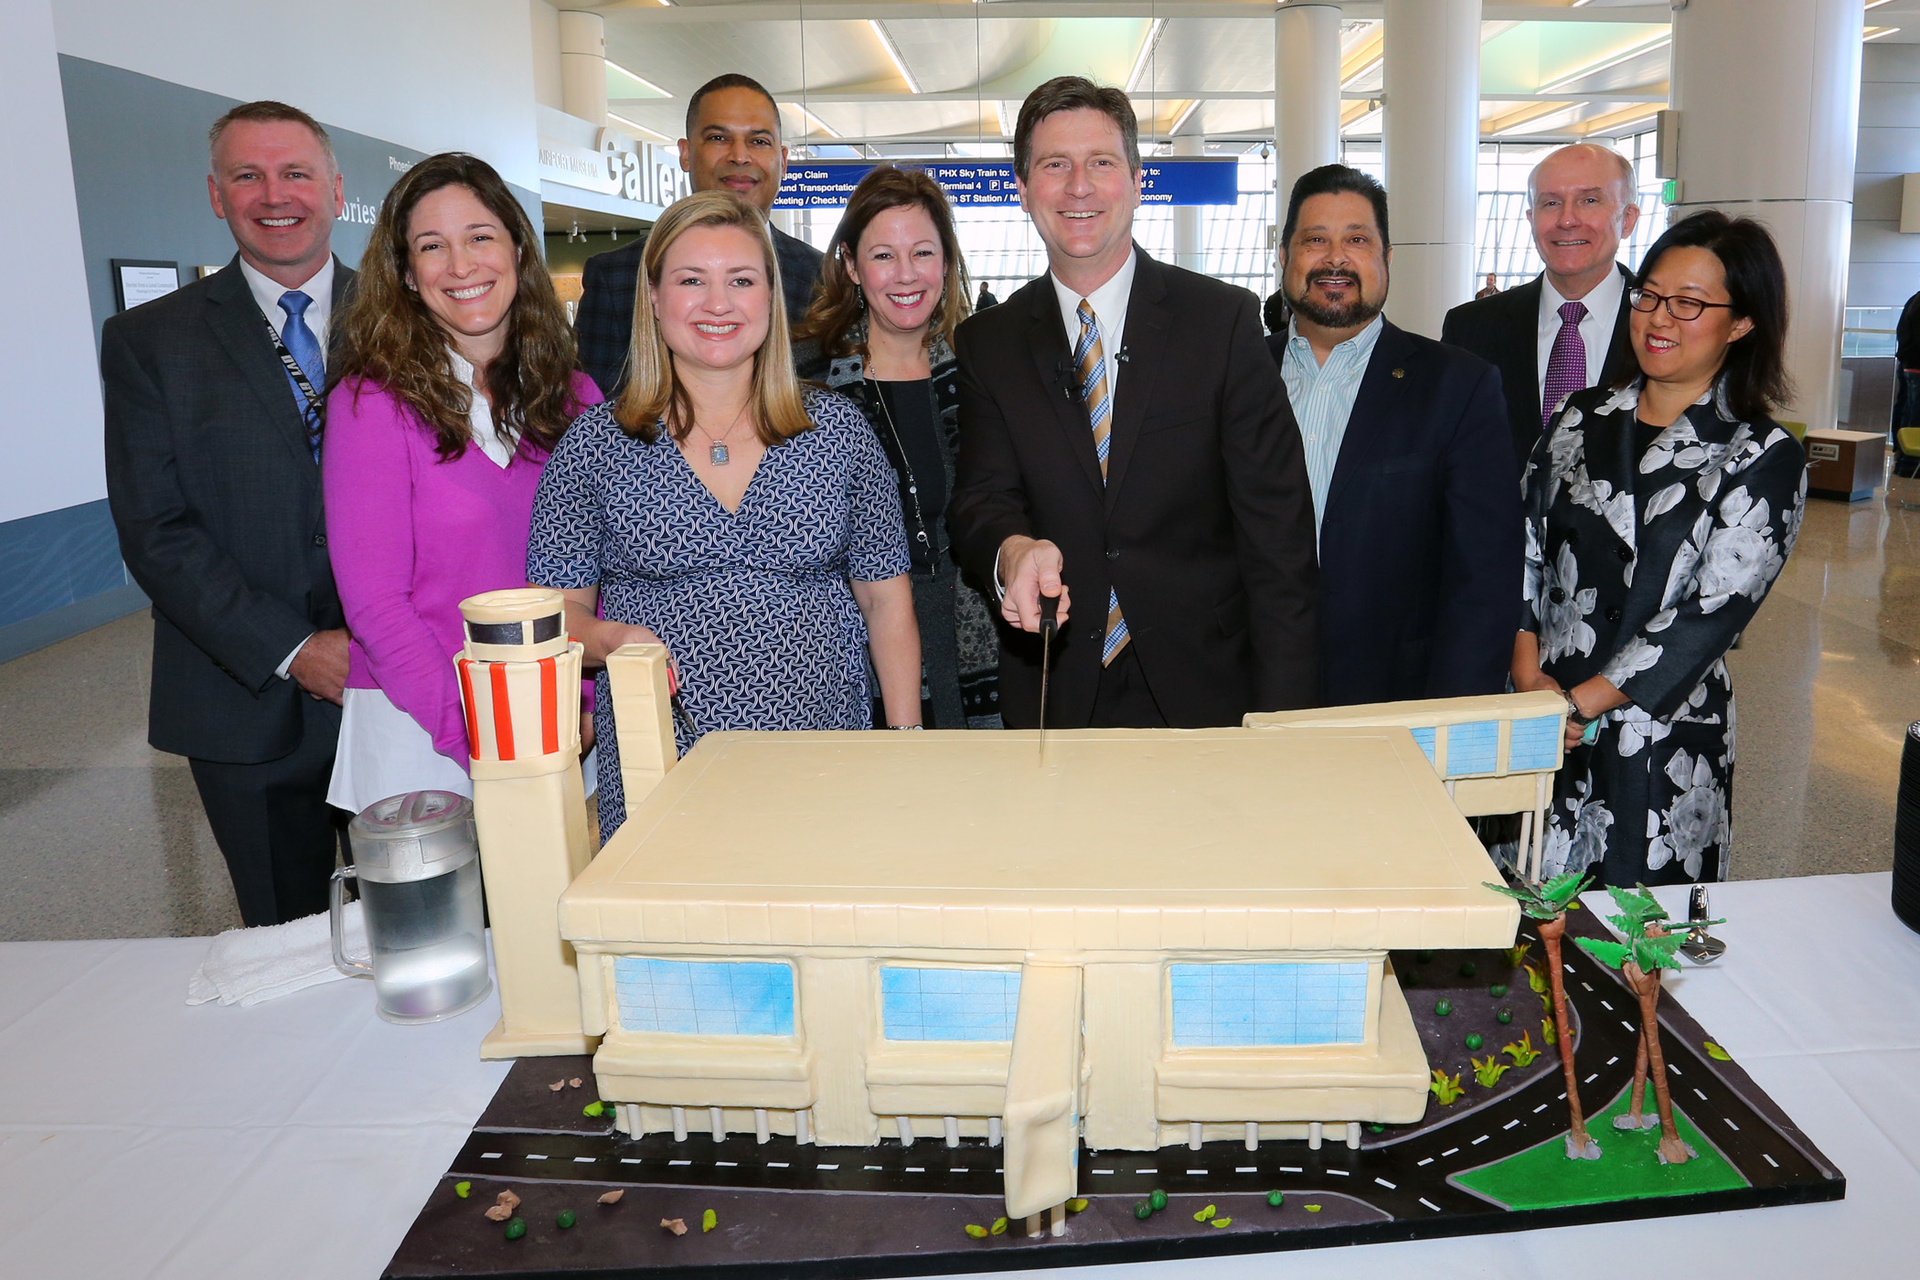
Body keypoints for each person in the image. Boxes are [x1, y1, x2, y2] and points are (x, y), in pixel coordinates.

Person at [528, 191, 920, 838]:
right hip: (665, 778)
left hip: (823, 767)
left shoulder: (839, 433)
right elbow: (554, 613)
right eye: (691, 280)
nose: (718, 303)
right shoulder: (594, 447)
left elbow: (886, 602)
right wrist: (613, 641)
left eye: (741, 280)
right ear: (653, 297)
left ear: (770, 295)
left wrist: (906, 749)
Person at [947, 76, 1319, 729]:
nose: (1079, 186)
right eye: (1054, 165)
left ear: (1138, 180)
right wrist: (1010, 552)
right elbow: (982, 499)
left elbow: (1278, 538)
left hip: (1208, 691)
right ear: (1024, 187)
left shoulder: (1221, 323)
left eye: (1101, 163)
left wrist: (1284, 722)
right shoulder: (989, 343)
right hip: (1055, 688)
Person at [102, 101, 352, 927]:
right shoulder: (149, 341)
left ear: (336, 189)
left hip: (404, 688)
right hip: (241, 695)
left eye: (295, 172)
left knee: (443, 919)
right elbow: (155, 529)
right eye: (248, 175)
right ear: (217, 195)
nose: (273, 194)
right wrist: (291, 649)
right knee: (288, 942)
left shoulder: (415, 319)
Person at [1512, 210, 1806, 888]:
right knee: (1528, 914)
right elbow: (1519, 545)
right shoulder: (1581, 415)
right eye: (1649, 295)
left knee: (1639, 940)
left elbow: (1708, 618)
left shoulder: (1761, 453)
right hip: (1540, 713)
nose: (1658, 319)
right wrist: (1530, 681)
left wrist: (1581, 703)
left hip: (1657, 726)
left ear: (1742, 322)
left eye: (1690, 304)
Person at [321, 154, 602, 813]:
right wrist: (482, 734)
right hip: (421, 736)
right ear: (408, 276)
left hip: (560, 726)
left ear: (516, 248)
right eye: (432, 247)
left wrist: (577, 709)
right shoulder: (371, 405)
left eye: (480, 237)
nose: (462, 265)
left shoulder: (576, 399)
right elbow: (376, 606)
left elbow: (598, 577)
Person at [1272, 165, 1520, 706]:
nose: (1335, 258)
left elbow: (1485, 579)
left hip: (1398, 698)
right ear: (1284, 257)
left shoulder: (1459, 386)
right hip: (1249, 692)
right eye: (1314, 240)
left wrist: (1454, 718)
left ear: (1387, 259)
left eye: (1357, 240)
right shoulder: (1235, 374)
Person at [794, 165, 1002, 728]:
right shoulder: (806, 383)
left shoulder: (983, 372)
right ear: (851, 266)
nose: (906, 274)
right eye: (883, 255)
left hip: (980, 639)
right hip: (856, 644)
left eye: (923, 253)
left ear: (947, 263)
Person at [574, 74, 823, 397]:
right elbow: (595, 412)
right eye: (719, 138)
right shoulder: (615, 276)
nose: (739, 156)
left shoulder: (821, 275)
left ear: (784, 161)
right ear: (686, 153)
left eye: (759, 141)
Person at [1442, 143, 1641, 475]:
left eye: (1589, 201)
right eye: (1551, 203)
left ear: (1628, 219)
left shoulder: (1664, 323)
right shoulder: (1471, 328)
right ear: (1532, 220)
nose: (1566, 219)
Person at [1893, 287, 1920, 477]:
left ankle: (1903, 457)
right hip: (1916, 365)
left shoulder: (1914, 299)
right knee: (1915, 415)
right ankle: (1910, 464)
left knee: (1907, 410)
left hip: (1908, 363)